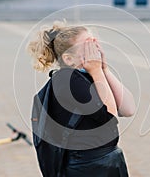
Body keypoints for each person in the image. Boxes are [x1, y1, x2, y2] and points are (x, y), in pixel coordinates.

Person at [26, 21, 136, 177]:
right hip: (86, 168)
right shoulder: (66, 80)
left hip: (105, 163)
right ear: (69, 59)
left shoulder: (89, 75)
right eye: (88, 47)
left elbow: (128, 108)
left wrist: (104, 69)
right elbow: (109, 117)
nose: (95, 50)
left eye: (94, 43)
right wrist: (97, 70)